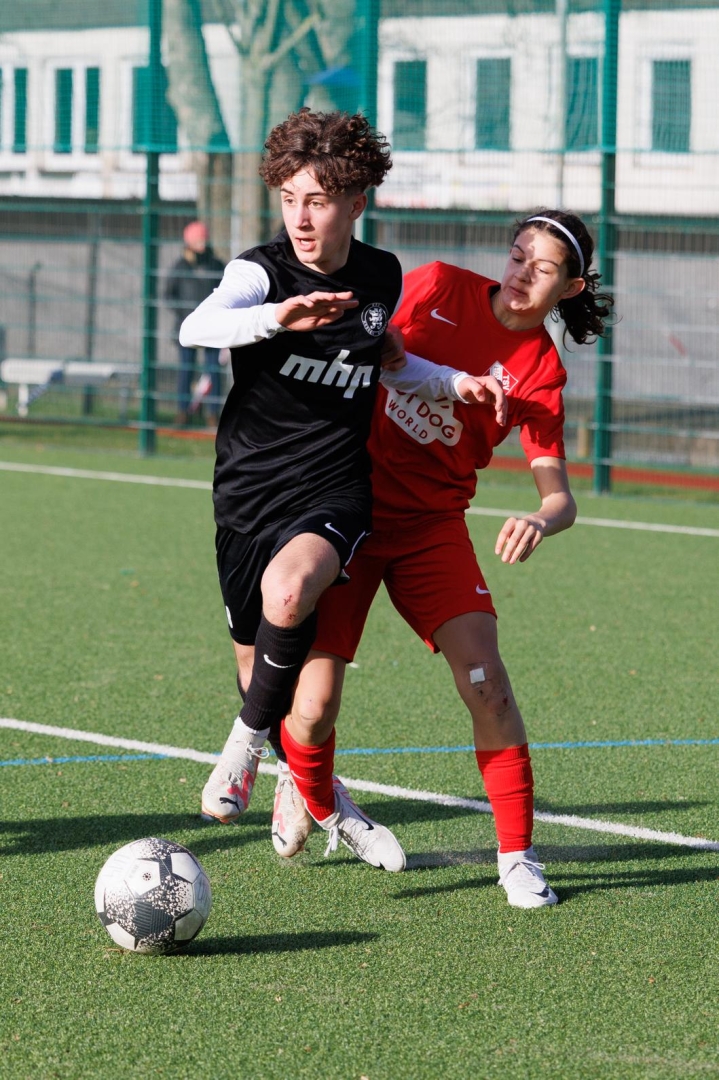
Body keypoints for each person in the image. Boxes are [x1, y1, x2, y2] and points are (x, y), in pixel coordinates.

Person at [179, 108, 505, 873]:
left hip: (333, 487)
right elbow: (198, 327)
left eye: (318, 201)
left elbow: (388, 361)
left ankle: (239, 748)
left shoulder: (381, 275)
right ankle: (317, 793)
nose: (300, 217)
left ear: (355, 203)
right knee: (267, 677)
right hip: (246, 494)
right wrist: (276, 318)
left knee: (291, 592)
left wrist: (454, 383)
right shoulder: (260, 272)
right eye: (289, 198)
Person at [276, 208, 615, 906]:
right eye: (517, 256)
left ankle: (517, 859)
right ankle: (315, 791)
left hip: (431, 529)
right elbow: (365, 339)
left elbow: (560, 498)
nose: (521, 273)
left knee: (489, 685)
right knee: (311, 708)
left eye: (542, 268)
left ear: (570, 287)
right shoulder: (435, 284)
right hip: (348, 509)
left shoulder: (541, 371)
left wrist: (539, 519)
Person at [165, 221, 226, 426]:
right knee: (186, 370)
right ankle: (183, 412)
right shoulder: (180, 266)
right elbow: (168, 294)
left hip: (213, 328)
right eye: (198, 239)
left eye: (204, 239)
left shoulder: (216, 265)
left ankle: (213, 414)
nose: (202, 243)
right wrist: (185, 315)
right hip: (187, 329)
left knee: (213, 371)